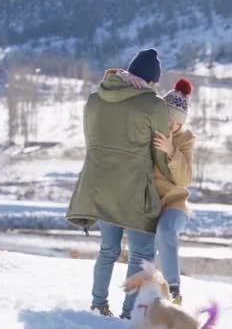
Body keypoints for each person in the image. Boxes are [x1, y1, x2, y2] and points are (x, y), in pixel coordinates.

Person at [66, 48, 174, 319]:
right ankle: (129, 315)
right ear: (150, 80)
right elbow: (159, 154)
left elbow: (92, 143)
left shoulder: (94, 99)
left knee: (108, 250)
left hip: (99, 186)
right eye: (154, 83)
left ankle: (98, 304)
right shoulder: (154, 104)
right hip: (134, 189)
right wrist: (173, 162)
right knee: (141, 255)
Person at [152, 78, 196, 305]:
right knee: (143, 247)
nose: (171, 126)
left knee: (167, 230)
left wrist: (171, 152)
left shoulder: (186, 141)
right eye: (168, 119)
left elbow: (184, 179)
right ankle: (143, 295)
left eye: (176, 123)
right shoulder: (149, 132)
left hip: (175, 203)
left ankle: (174, 290)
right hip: (149, 202)